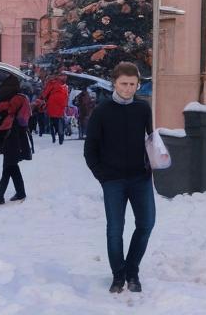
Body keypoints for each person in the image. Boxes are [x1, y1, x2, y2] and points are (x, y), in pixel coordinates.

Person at [85, 62, 156, 295]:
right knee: (115, 229)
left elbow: (150, 140)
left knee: (146, 224)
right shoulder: (102, 111)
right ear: (114, 82)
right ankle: (118, 275)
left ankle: (132, 270)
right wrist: (102, 176)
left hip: (140, 178)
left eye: (133, 84)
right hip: (113, 180)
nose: (128, 89)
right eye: (124, 84)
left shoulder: (143, 109)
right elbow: (90, 149)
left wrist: (151, 164)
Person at [0, 74, 33, 205]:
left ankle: (0, 196)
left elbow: (7, 120)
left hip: (12, 137)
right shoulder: (19, 98)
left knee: (8, 167)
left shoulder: (14, 101)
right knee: (12, 167)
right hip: (17, 136)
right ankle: (20, 193)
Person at [41, 71, 69, 145]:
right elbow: (45, 93)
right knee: (58, 122)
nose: (65, 77)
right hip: (56, 106)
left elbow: (45, 93)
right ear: (59, 76)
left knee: (54, 122)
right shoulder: (58, 84)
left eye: (65, 76)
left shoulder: (62, 85)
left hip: (57, 106)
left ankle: (57, 136)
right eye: (63, 75)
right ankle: (59, 137)